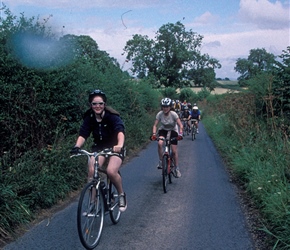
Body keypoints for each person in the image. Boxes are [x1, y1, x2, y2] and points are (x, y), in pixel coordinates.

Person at [70, 89, 127, 212]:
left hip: (114, 146)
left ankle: (121, 195)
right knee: (91, 171)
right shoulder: (89, 117)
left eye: (100, 103)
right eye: (94, 104)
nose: (98, 106)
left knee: (111, 171)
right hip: (99, 147)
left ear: (104, 104)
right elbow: (83, 134)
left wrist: (120, 145)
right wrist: (77, 147)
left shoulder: (112, 116)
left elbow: (120, 132)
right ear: (91, 105)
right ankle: (93, 202)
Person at [151, 97, 183, 178]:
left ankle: (176, 168)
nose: (165, 108)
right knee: (160, 143)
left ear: (170, 107)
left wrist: (180, 134)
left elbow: (180, 125)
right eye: (163, 106)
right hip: (163, 130)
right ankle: (161, 161)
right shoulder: (159, 114)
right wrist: (154, 134)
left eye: (167, 107)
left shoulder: (173, 114)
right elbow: (155, 125)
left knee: (174, 151)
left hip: (173, 131)